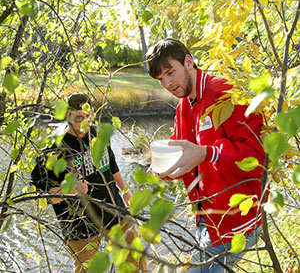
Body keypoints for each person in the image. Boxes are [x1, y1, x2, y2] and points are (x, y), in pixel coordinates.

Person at [146, 38, 265, 273]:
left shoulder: (225, 92)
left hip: (237, 221)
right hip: (206, 220)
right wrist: (165, 169)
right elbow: (186, 157)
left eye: (171, 72)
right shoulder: (183, 105)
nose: (168, 83)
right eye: (161, 79)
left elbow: (258, 156)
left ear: (188, 62)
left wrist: (207, 153)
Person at [31, 92, 147, 273]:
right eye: (78, 118)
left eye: (88, 116)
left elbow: (112, 164)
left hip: (113, 210)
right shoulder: (53, 148)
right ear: (67, 116)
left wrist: (125, 191)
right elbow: (41, 193)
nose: (84, 122)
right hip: (79, 225)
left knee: (135, 257)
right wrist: (68, 190)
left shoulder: (97, 134)